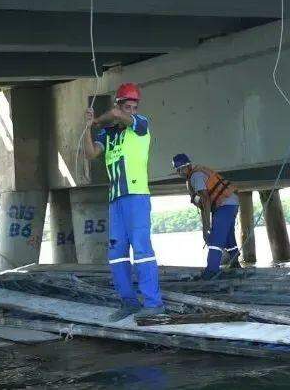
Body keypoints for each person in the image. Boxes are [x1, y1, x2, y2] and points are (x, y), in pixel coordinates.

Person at [84, 82, 163, 321]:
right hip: (115, 199)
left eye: (134, 106)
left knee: (142, 250)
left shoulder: (141, 125)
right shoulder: (108, 135)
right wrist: (87, 128)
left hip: (136, 196)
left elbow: (117, 115)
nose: (131, 110)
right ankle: (128, 302)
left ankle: (153, 303)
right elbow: (91, 153)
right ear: (119, 104)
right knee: (116, 253)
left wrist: (96, 120)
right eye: (127, 106)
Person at [172, 154, 240, 280]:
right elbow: (205, 203)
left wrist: (207, 227)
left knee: (215, 238)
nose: (178, 173)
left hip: (225, 205)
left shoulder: (195, 176)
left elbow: (205, 200)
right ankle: (235, 263)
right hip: (230, 202)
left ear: (184, 168)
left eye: (178, 170)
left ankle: (211, 271)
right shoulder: (197, 172)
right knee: (229, 235)